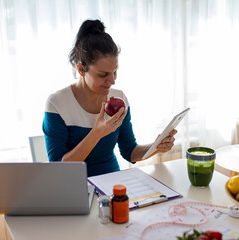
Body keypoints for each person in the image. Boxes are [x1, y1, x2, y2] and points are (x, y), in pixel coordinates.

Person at [42, 19, 177, 177]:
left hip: (113, 184)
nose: (112, 80)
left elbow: (129, 151)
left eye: (114, 72)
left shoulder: (119, 98)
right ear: (81, 69)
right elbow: (59, 169)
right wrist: (97, 133)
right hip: (75, 187)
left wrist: (156, 147)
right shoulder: (57, 104)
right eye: (103, 74)